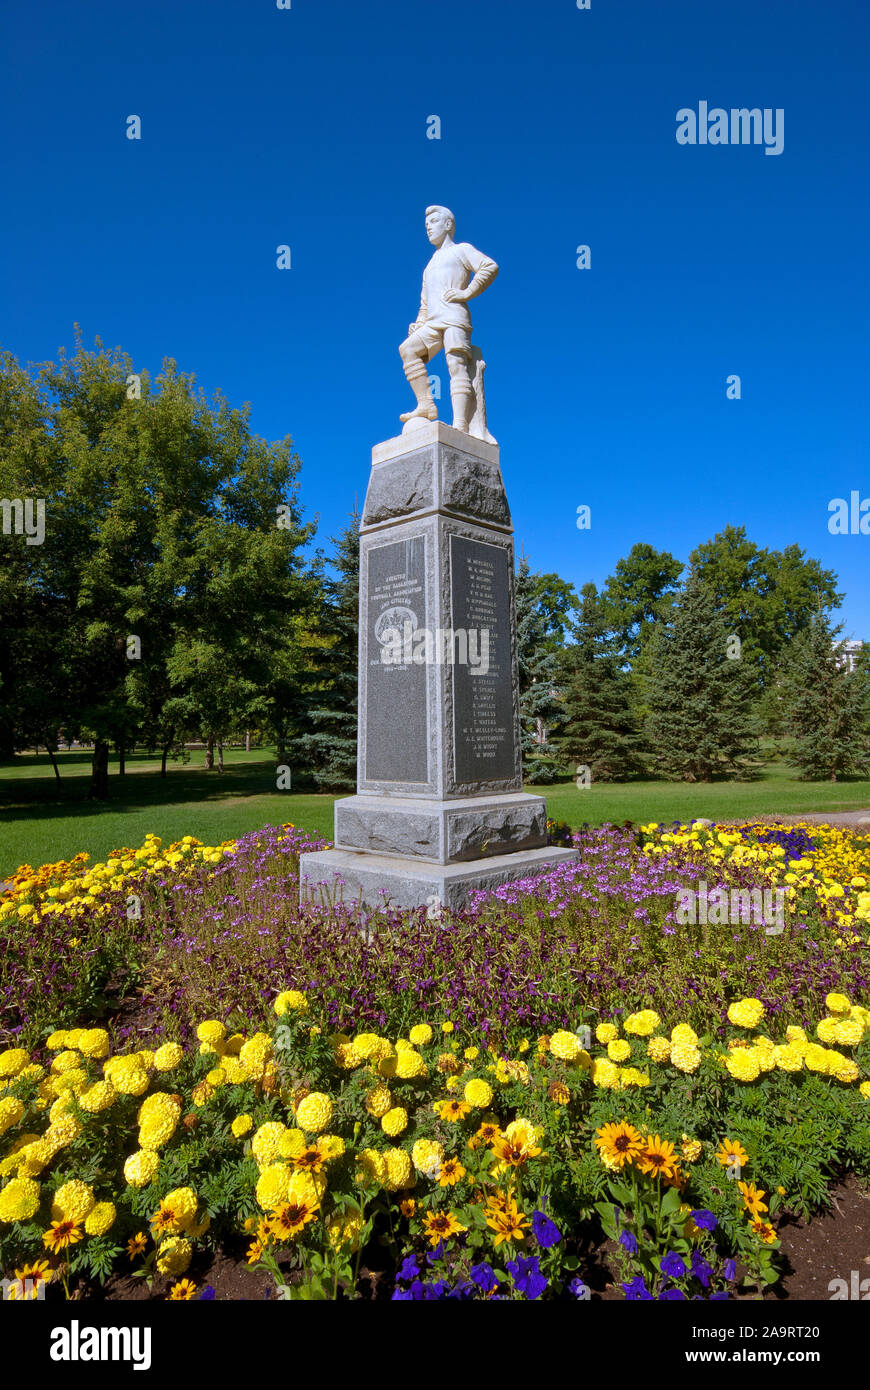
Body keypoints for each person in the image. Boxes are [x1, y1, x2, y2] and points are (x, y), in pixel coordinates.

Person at [399, 206, 498, 434]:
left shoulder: (461, 250)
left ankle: (460, 424)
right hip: (433, 322)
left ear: (448, 225)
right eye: (426, 225)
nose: (429, 228)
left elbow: (489, 266)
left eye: (434, 222)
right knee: (408, 350)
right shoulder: (428, 266)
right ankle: (425, 404)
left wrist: (467, 293)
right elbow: (425, 302)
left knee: (456, 365)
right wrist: (419, 322)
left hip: (455, 317)